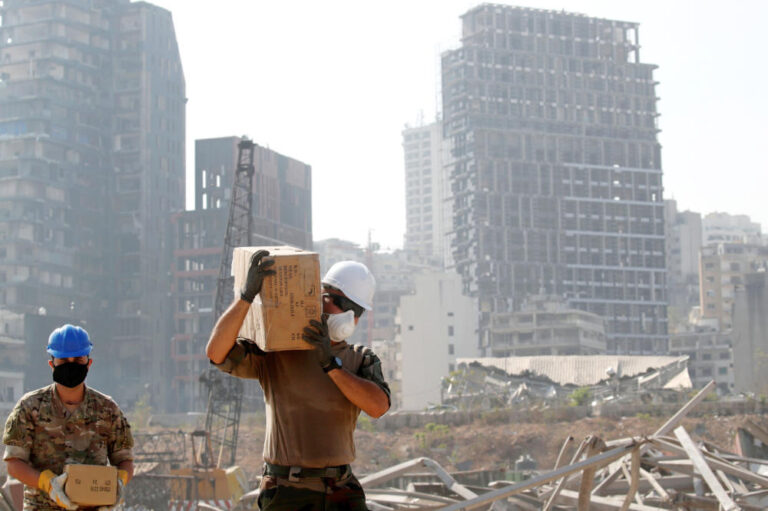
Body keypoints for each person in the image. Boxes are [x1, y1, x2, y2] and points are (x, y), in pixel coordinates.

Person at [206, 250, 390, 510]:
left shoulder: (360, 359)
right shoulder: (278, 350)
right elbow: (216, 353)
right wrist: (246, 297)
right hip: (286, 491)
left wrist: (331, 364)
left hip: (340, 490)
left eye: (355, 309)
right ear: (320, 297)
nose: (348, 315)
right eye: (339, 302)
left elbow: (378, 406)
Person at [3, 324, 134, 511]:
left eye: (78, 359)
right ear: (52, 364)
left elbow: (125, 460)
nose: (71, 364)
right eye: (64, 360)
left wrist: (118, 483)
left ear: (89, 363)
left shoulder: (108, 409)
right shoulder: (29, 408)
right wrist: (48, 484)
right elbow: (14, 464)